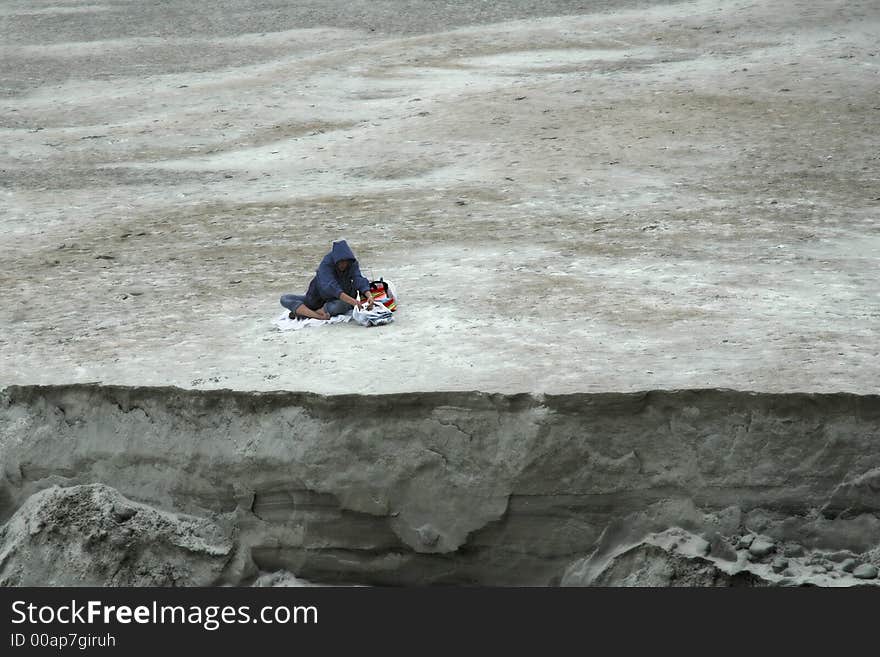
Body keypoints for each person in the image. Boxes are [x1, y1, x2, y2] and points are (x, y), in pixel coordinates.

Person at [280, 240, 375, 320]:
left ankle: (306, 313)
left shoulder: (352, 263)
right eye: (341, 262)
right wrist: (353, 301)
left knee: (339, 306)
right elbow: (331, 287)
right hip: (316, 299)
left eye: (345, 262)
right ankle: (317, 315)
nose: (343, 265)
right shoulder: (326, 264)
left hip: (339, 301)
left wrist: (369, 295)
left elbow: (358, 279)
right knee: (285, 299)